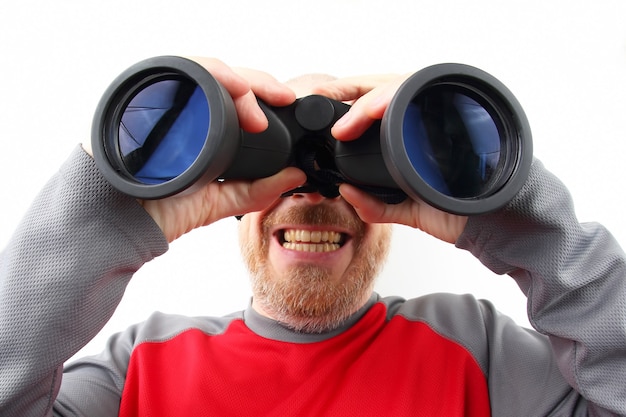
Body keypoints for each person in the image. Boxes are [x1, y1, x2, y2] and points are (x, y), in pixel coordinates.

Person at [0, 56, 625, 417]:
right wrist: (104, 208)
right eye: (275, 174)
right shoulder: (139, 366)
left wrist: (500, 202)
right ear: (231, 201)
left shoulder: (480, 351)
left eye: (353, 163)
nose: (312, 192)